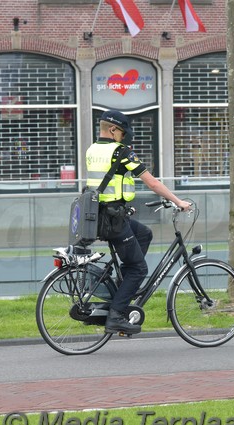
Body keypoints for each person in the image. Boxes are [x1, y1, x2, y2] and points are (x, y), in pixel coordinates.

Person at [86, 110, 191, 335]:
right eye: (122, 133)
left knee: (144, 233)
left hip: (101, 216)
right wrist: (178, 201)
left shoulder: (92, 149)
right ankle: (116, 317)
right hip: (113, 220)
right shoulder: (120, 152)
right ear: (113, 130)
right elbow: (152, 183)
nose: (124, 138)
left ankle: (123, 288)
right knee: (139, 269)